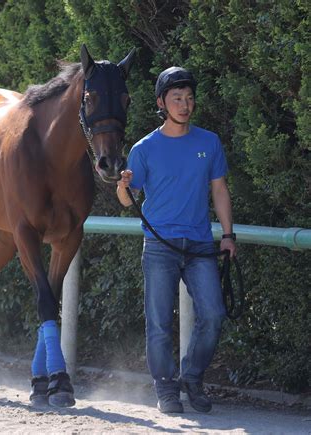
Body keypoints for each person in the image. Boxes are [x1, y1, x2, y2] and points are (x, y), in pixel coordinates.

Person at [116, 67, 237, 414]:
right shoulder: (144, 148)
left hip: (200, 244)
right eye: (177, 99)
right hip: (159, 247)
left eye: (189, 98)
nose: (185, 105)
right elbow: (128, 200)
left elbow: (220, 190)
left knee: (213, 314)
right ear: (161, 103)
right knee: (158, 323)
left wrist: (228, 235)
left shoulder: (209, 142)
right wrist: (123, 186)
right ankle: (165, 388)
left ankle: (192, 377)